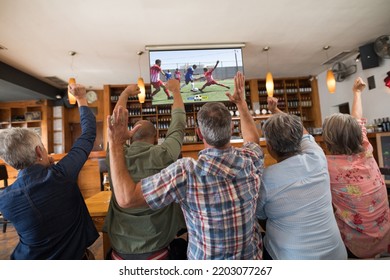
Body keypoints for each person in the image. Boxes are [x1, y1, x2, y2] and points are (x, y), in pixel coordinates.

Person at [107, 71, 264, 260]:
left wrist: (115, 142)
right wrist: (241, 104)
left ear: (198, 133)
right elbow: (253, 140)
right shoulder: (251, 159)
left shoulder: (186, 173)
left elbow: (126, 198)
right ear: (232, 129)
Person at [0, 84, 99, 259]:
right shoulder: (61, 174)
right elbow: (88, 134)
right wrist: (81, 98)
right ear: (39, 151)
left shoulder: (4, 200)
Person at [103, 79, 187, 260]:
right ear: (156, 138)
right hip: (159, 248)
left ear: (130, 137)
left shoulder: (115, 155)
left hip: (119, 249)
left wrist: (125, 92)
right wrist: (176, 91)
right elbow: (178, 124)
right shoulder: (165, 154)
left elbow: (114, 122)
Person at [256, 96, 347, 260]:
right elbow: (303, 133)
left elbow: (260, 215)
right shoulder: (317, 157)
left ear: (269, 148)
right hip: (336, 255)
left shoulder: (266, 178)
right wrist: (275, 110)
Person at [322, 77, 390, 259]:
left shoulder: (327, 166)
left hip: (357, 247)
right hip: (386, 235)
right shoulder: (366, 149)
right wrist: (357, 92)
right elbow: (358, 119)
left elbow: (303, 138)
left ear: (328, 140)